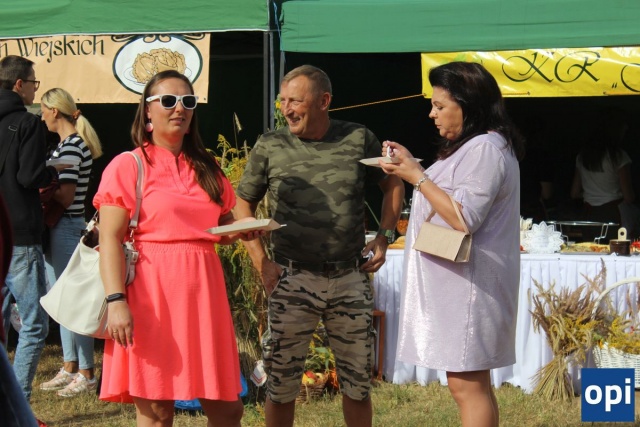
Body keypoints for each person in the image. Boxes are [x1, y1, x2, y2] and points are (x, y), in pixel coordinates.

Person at [235, 64, 404, 427]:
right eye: (283, 101)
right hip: (291, 278)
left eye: (295, 101)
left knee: (358, 385)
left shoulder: (358, 138)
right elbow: (242, 204)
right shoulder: (271, 145)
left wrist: (384, 236)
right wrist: (262, 262)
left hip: (349, 276)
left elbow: (392, 183)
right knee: (281, 386)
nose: (286, 109)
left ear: (324, 101)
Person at [94, 70, 260, 426]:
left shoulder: (207, 165)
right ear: (147, 111)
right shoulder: (129, 165)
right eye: (168, 100)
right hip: (150, 295)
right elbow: (109, 238)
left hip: (205, 295)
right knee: (156, 412)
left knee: (228, 409)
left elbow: (220, 228)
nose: (179, 108)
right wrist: (116, 300)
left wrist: (246, 228)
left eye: (188, 101)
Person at [381, 61, 524, 427]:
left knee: (467, 387)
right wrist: (409, 165)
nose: (432, 114)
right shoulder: (476, 146)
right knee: (472, 385)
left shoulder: (485, 148)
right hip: (462, 285)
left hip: (470, 288)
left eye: (440, 106)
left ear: (468, 105)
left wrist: (417, 176)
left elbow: (464, 217)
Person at [0, 55, 69, 402]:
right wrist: (54, 172)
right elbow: (29, 176)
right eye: (33, 83)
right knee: (34, 324)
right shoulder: (27, 124)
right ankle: (18, 404)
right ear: (19, 84)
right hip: (20, 235)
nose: (33, 90)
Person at [38, 88, 103, 397]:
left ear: (54, 111)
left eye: (43, 111)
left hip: (65, 226)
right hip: (61, 227)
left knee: (72, 302)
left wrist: (40, 189)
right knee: (61, 301)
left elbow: (65, 196)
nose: (41, 117)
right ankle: (70, 366)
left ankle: (86, 372)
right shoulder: (66, 145)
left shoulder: (73, 146)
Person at [0, 193, 40, 427]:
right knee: (34, 325)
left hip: (17, 241)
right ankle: (21, 396)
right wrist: (49, 176)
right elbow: (27, 176)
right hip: (23, 240)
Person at [570, 108, 636, 241]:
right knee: (616, 251)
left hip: (589, 214)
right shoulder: (618, 156)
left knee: (591, 250)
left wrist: (593, 193)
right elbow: (629, 197)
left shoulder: (583, 156)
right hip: (613, 214)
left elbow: (574, 193)